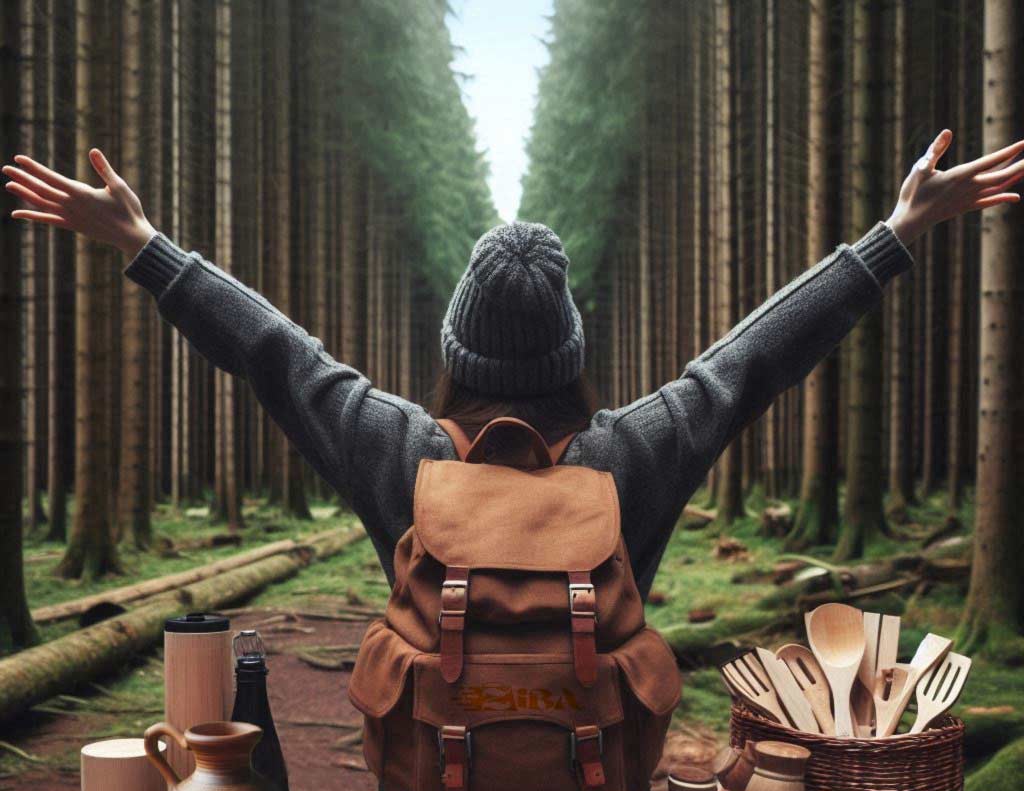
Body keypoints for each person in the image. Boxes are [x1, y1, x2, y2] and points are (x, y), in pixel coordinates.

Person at [4, 128, 1023, 601]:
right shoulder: (632, 455)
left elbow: (275, 353)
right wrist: (893, 233)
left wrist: (146, 246)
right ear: (572, 355)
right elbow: (752, 360)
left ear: (453, 355)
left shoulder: (399, 451)